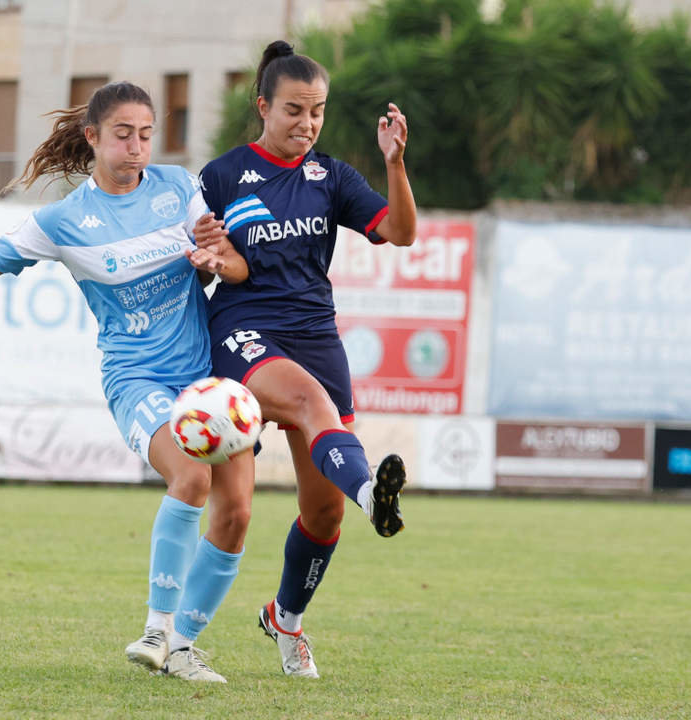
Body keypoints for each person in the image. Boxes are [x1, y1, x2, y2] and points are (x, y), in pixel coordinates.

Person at [0, 81, 252, 684]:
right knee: (191, 475)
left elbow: (235, 264)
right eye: (122, 134)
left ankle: (184, 647)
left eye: (145, 134)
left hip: (207, 382)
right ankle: (156, 628)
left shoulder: (177, 187)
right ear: (92, 138)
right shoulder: (65, 221)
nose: (136, 147)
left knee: (239, 512)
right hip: (137, 378)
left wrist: (216, 259)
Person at [196, 40, 418, 679]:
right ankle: (371, 488)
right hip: (245, 333)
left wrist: (396, 164)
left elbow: (401, 234)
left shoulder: (333, 178)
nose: (307, 123)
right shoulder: (222, 175)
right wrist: (210, 258)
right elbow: (206, 255)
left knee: (322, 513)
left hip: (317, 337)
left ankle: (285, 619)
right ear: (264, 106)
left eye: (317, 111)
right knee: (313, 409)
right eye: (295, 109)